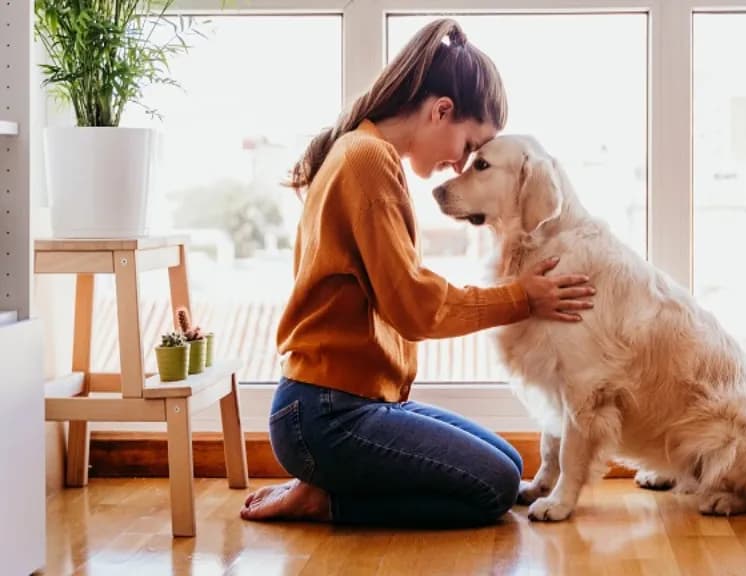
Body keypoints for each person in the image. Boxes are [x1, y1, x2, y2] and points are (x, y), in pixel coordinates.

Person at [239, 18, 595, 527]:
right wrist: (523, 297)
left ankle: (327, 481)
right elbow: (415, 308)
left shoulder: (365, 152)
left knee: (510, 466)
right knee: (493, 488)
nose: (460, 165)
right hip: (325, 415)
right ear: (441, 111)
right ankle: (328, 498)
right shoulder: (366, 161)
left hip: (348, 406)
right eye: (469, 146)